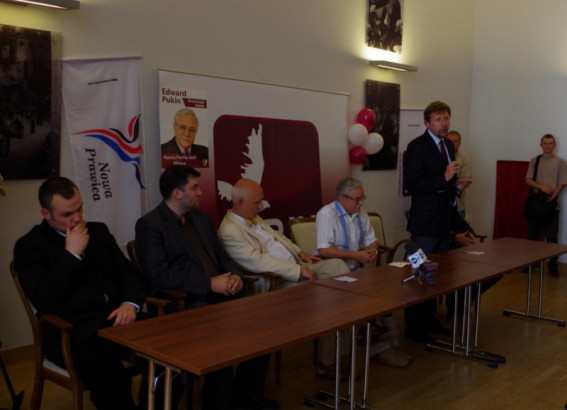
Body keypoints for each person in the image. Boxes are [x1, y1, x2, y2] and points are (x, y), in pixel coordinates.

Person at [135, 165, 277, 410]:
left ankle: (246, 396)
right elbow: (158, 276)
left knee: (262, 323)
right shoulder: (150, 224)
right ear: (177, 193)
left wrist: (235, 276)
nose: (200, 192)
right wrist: (208, 284)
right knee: (219, 335)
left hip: (222, 291)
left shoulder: (201, 217)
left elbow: (221, 256)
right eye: (195, 187)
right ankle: (218, 403)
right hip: (185, 300)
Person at [13, 177, 145, 410]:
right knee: (112, 380)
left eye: (80, 209)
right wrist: (71, 255)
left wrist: (129, 304)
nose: (77, 219)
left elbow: (129, 274)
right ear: (46, 213)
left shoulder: (99, 231)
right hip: (75, 332)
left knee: (173, 349)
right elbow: (43, 299)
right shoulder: (30, 246)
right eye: (67, 214)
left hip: (118, 319)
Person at [217, 178, 353, 381]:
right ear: (240, 202)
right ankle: (329, 360)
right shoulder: (229, 230)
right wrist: (297, 270)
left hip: (298, 265)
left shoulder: (253, 217)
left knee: (338, 267)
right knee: (332, 296)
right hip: (277, 282)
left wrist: (299, 252)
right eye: (257, 202)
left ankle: (351, 326)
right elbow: (258, 262)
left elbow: (279, 239)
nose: (261, 206)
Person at [315, 177, 412, 368]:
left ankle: (390, 345)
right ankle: (379, 348)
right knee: (359, 302)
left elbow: (372, 241)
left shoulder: (361, 213)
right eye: (357, 199)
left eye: (362, 198)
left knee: (385, 296)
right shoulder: (326, 214)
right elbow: (324, 250)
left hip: (359, 271)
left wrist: (372, 251)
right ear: (342, 198)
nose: (361, 203)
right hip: (334, 274)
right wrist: (355, 255)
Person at [403, 101, 472, 344]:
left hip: (444, 223)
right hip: (424, 224)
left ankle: (429, 319)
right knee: (417, 272)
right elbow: (413, 185)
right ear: (427, 123)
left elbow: (447, 184)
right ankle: (413, 327)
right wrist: (444, 177)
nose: (444, 124)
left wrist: (456, 185)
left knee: (437, 274)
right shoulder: (417, 147)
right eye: (438, 119)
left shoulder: (448, 146)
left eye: (446, 118)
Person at [525, 134, 567, 277]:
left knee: (552, 237)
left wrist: (554, 197)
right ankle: (531, 264)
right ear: (541, 144)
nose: (548, 146)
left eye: (550, 143)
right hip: (536, 203)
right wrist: (541, 187)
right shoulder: (535, 160)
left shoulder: (560, 162)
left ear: (554, 145)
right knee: (532, 236)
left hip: (551, 204)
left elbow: (562, 182)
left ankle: (553, 265)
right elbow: (528, 180)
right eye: (545, 143)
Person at [446, 130, 472, 220]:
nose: (452, 144)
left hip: (457, 206)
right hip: (439, 205)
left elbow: (466, 182)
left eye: (455, 141)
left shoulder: (464, 160)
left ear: (460, 143)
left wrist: (460, 183)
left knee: (459, 229)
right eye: (449, 141)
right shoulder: (438, 157)